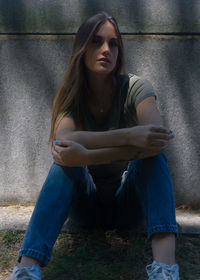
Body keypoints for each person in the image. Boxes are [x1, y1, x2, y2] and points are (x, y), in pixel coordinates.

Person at [8, 11, 180, 280]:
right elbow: (64, 144)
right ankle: (27, 270)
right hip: (85, 209)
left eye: (113, 44)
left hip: (128, 207)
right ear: (81, 47)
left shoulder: (136, 88)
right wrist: (131, 137)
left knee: (153, 159)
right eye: (96, 42)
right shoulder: (70, 95)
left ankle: (166, 270)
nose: (105, 50)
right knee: (63, 166)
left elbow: (157, 141)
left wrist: (86, 152)